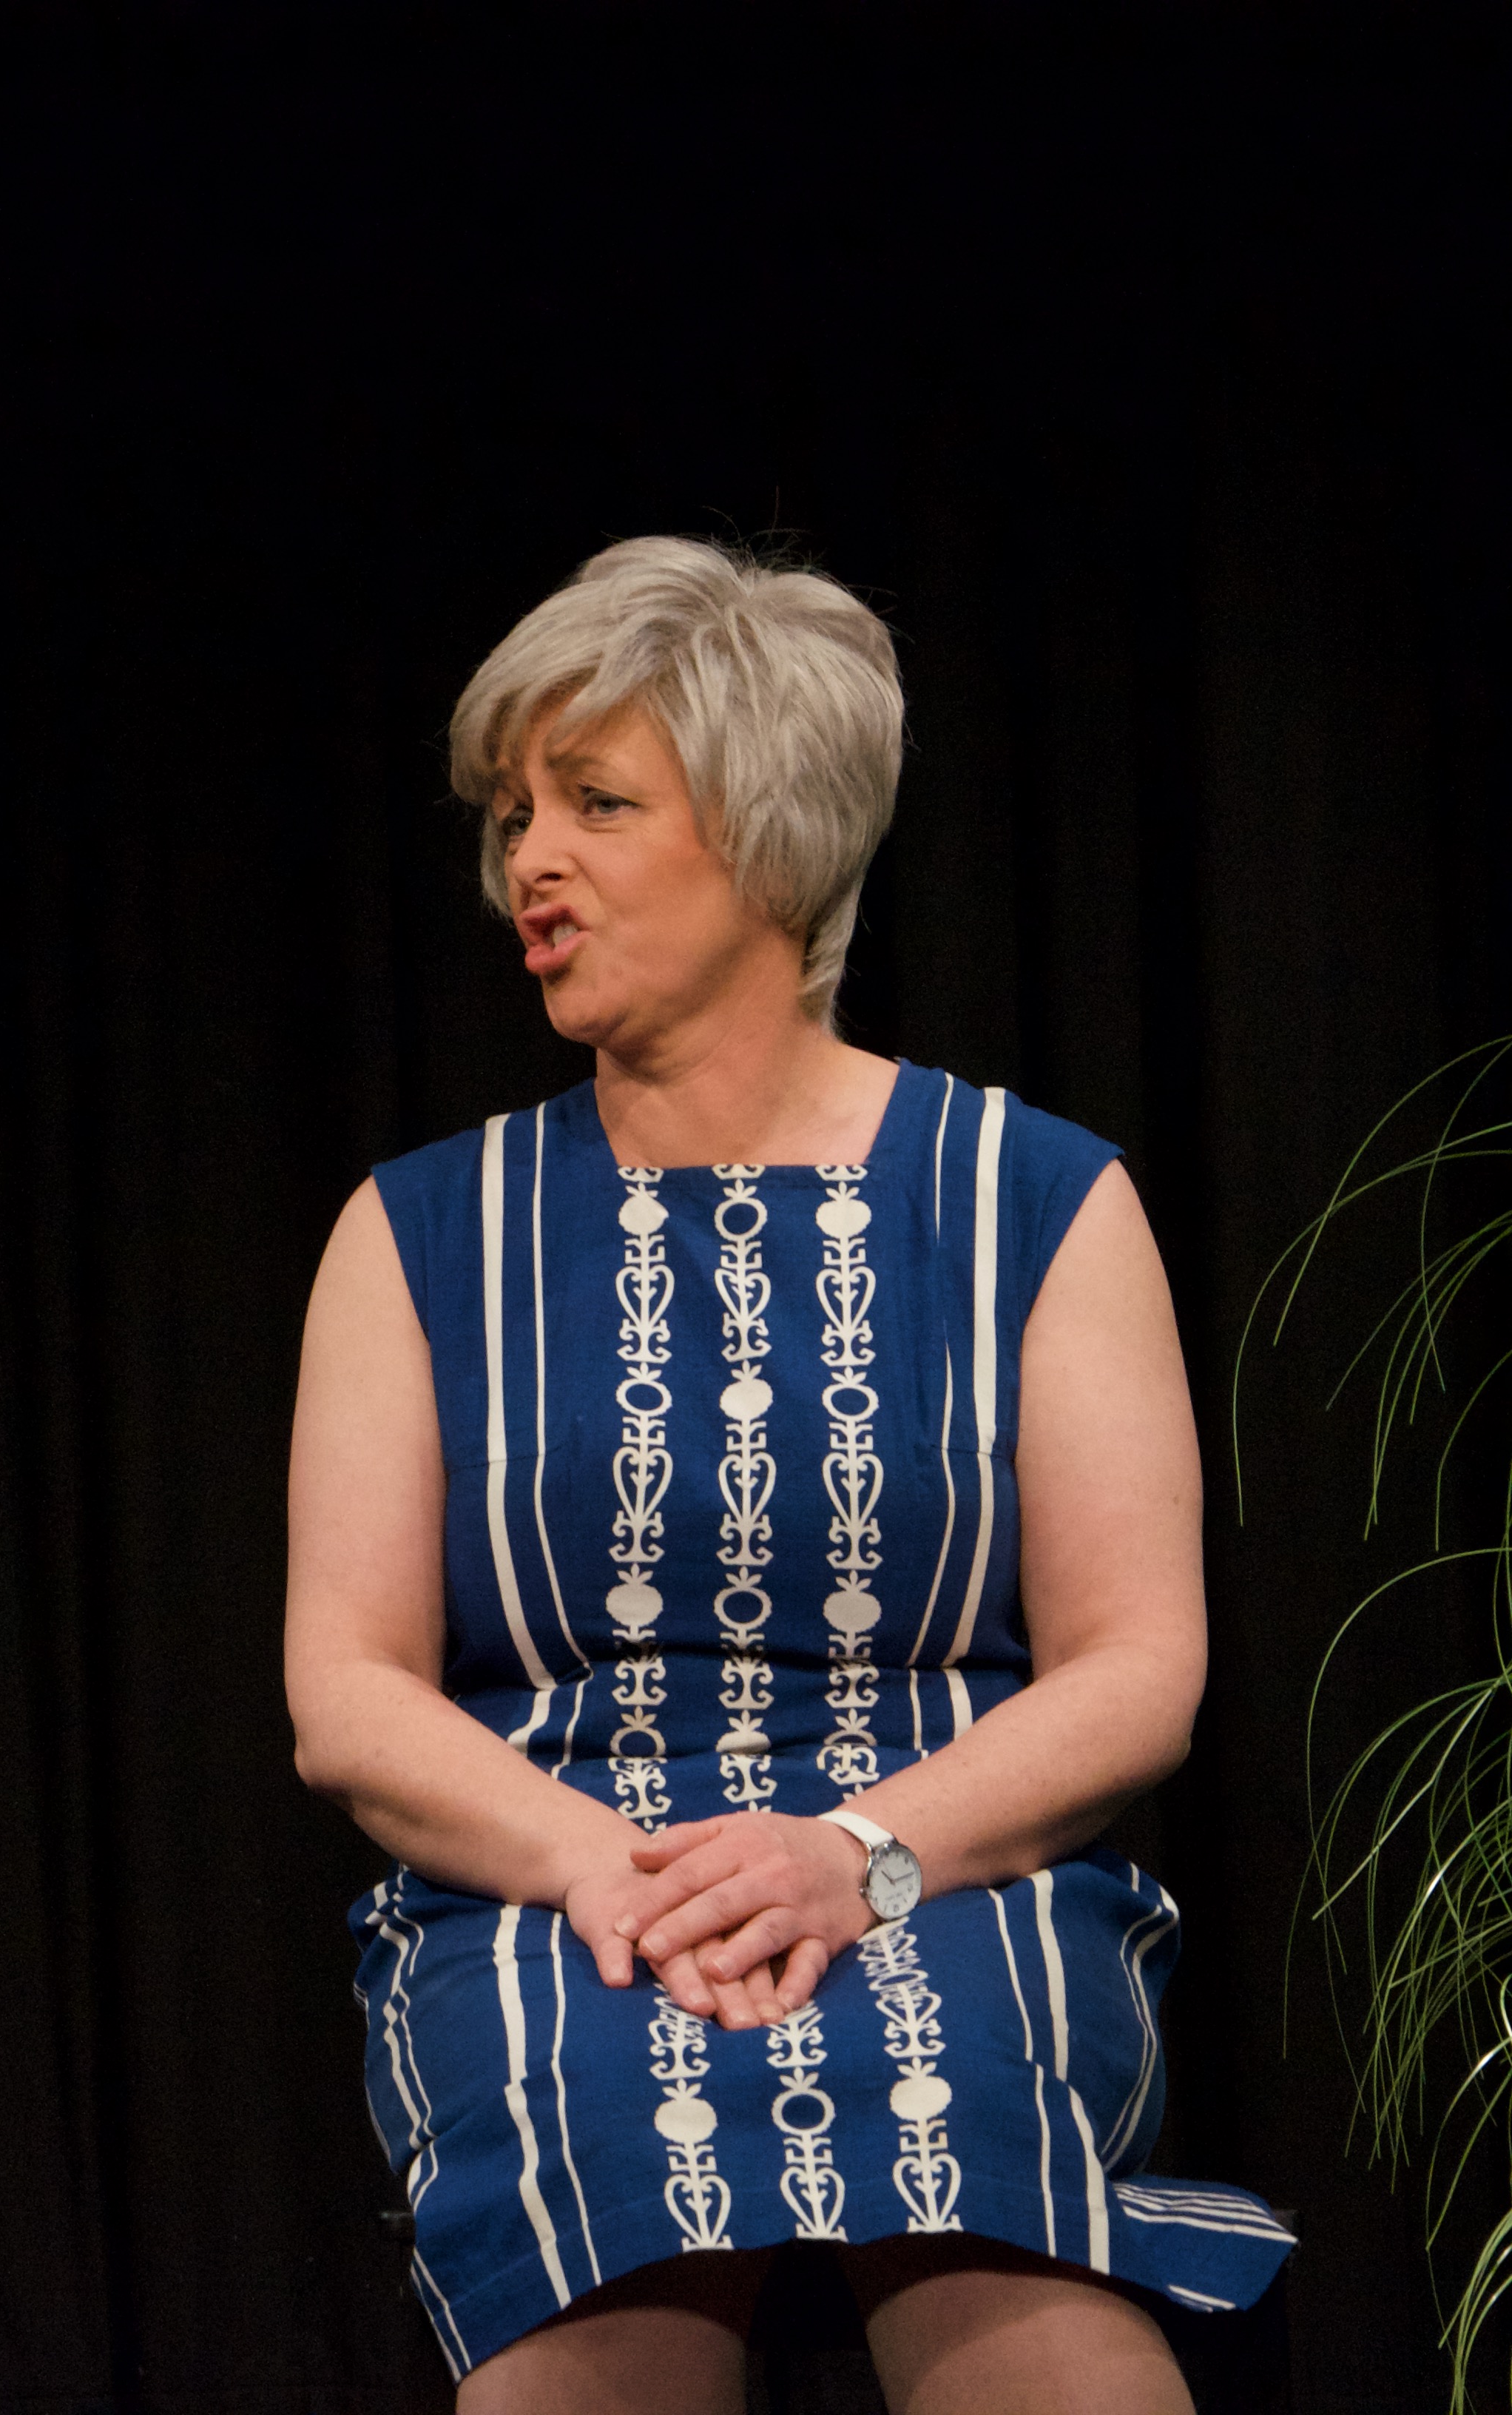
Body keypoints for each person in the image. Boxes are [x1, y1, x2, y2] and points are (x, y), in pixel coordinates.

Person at [280, 537, 1289, 2414]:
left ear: (770, 835)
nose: (529, 861)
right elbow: (346, 1692)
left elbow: (1137, 1665)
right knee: (603, 2175)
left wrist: (851, 1858)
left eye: (594, 803)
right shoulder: (419, 1233)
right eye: (513, 815)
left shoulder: (1033, 1201)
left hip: (944, 1863)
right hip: (560, 1881)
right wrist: (610, 1873)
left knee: (986, 2179)